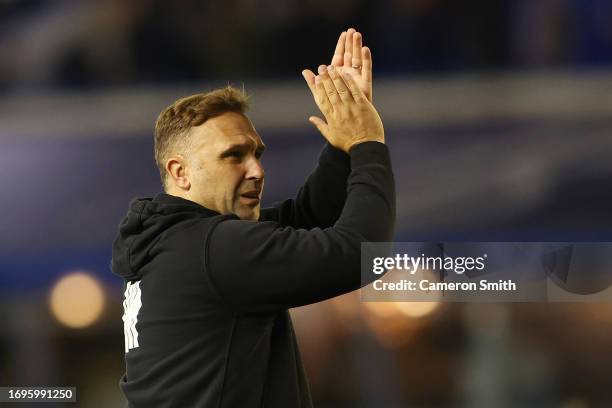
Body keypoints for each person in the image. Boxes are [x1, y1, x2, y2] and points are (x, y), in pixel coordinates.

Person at [111, 29, 395, 407]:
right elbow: (362, 252)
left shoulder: (173, 242)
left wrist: (342, 149)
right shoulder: (214, 249)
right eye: (234, 156)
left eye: (257, 154)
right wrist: (367, 143)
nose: (257, 170)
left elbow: (307, 217)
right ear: (180, 172)